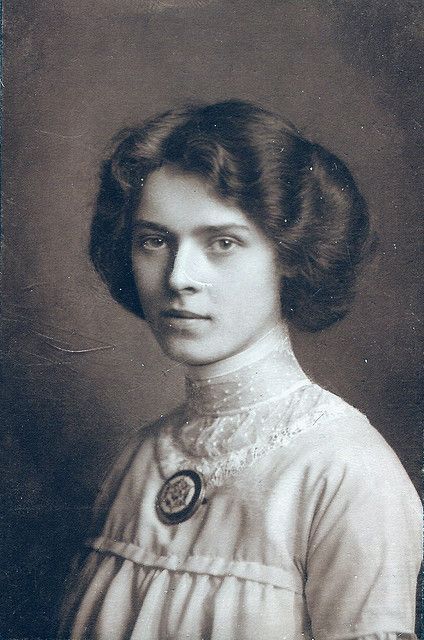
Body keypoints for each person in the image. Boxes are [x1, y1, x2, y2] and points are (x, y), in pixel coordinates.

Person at [60, 100, 422, 639]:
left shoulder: (346, 472)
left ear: (289, 257)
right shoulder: (139, 459)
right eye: (155, 241)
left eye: (223, 243)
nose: (180, 277)